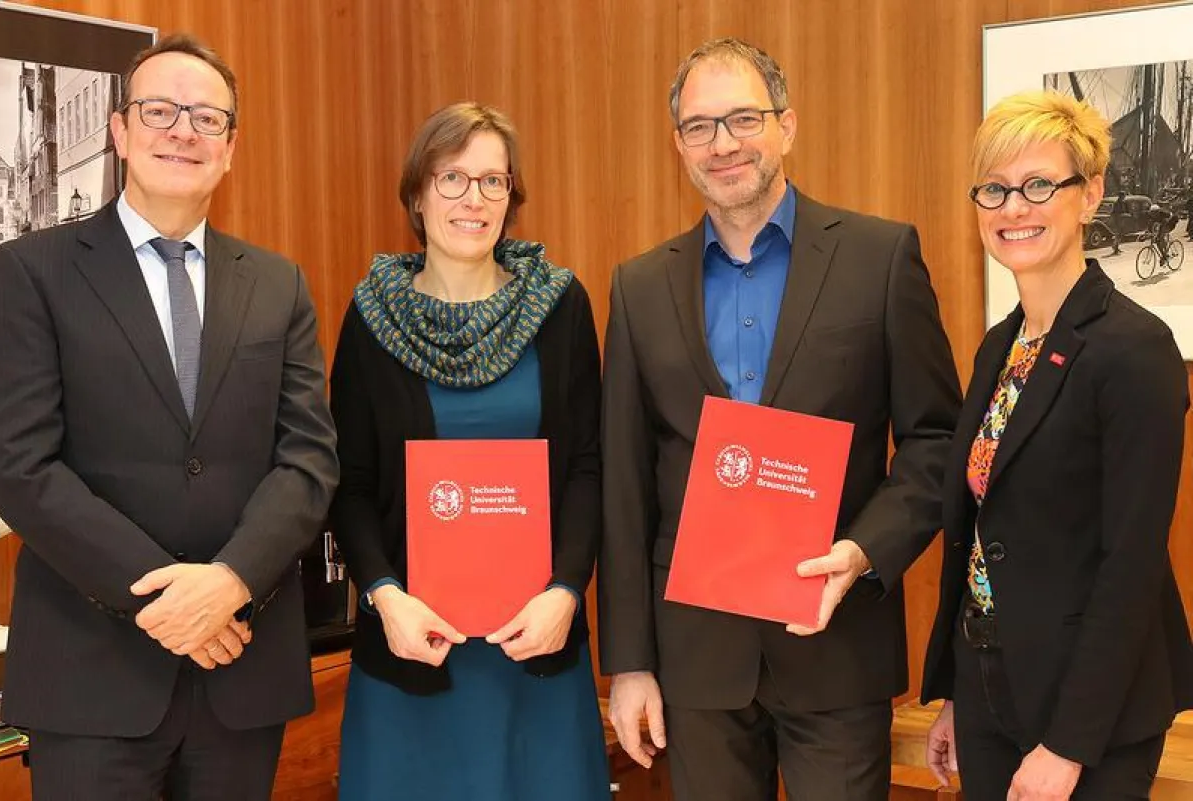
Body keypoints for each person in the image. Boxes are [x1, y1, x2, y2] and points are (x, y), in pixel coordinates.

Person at [597, 37, 961, 801]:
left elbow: (935, 440)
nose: (722, 143)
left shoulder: (880, 257)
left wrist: (864, 551)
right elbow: (624, 485)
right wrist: (629, 663)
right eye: (700, 126)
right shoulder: (637, 287)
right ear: (679, 146)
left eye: (743, 119)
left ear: (787, 126)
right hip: (696, 658)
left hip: (835, 645)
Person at [0, 34, 339, 800]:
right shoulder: (29, 272)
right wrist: (172, 602)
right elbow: (20, 466)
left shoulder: (278, 284)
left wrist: (229, 581)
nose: (183, 130)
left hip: (242, 669)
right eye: (159, 110)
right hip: (91, 678)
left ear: (230, 146)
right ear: (120, 132)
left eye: (206, 118)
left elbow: (309, 461)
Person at [329, 101, 609, 801]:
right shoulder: (370, 317)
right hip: (411, 653)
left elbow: (587, 467)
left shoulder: (560, 305)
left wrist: (567, 590)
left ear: (512, 196)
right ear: (417, 194)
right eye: (452, 178)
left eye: (492, 181)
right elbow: (349, 481)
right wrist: (385, 596)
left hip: (537, 651)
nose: (473, 199)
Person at [921, 90, 1193, 801]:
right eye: (995, 188)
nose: (1014, 207)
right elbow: (981, 535)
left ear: (1090, 192)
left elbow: (1131, 563)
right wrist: (957, 691)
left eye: (1040, 185)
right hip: (989, 683)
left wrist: (1068, 745)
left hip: (1089, 710)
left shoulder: (1135, 350)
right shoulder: (999, 347)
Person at [1109, 189, 1125, 255]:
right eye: (1123, 196)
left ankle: (1116, 247)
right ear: (1120, 196)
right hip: (1117, 221)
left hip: (1120, 220)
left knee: (1120, 235)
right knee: (1118, 235)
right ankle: (1115, 248)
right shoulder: (1117, 203)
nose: (1124, 197)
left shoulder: (1122, 203)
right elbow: (1115, 213)